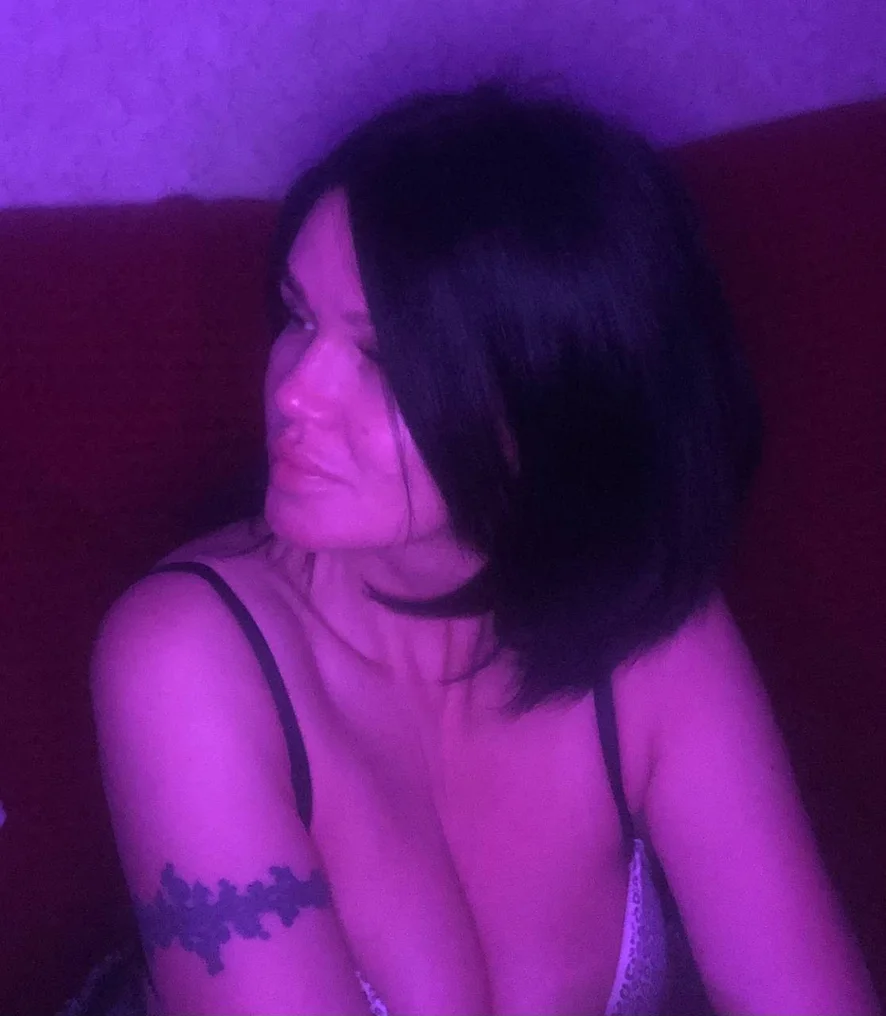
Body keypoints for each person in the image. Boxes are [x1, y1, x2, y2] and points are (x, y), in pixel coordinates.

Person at [84, 80, 879, 1016]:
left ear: (552, 400)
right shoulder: (186, 654)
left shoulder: (650, 620)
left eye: (382, 360)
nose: (294, 392)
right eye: (299, 317)